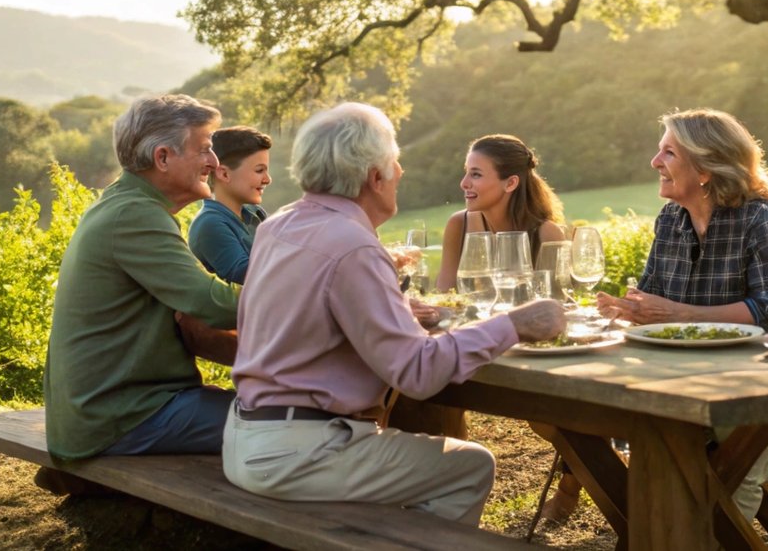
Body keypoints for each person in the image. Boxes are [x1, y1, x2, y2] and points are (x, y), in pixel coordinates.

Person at [223, 103, 565, 525]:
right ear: (375, 176)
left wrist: (398, 312)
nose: (400, 173)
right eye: (395, 162)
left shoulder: (280, 223)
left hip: (245, 437)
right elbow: (417, 374)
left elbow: (313, 310)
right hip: (301, 453)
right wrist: (515, 324)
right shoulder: (354, 244)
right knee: (470, 466)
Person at [582, 108, 768, 522]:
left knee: (732, 476)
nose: (655, 163)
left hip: (760, 381)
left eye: (668, 153)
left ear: (705, 167)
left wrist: (680, 314)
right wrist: (631, 308)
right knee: (656, 450)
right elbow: (653, 297)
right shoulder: (671, 220)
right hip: (683, 376)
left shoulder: (759, 219)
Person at [43, 94, 241, 479]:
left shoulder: (128, 204)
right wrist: (306, 297)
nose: (215, 163)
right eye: (204, 149)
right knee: (287, 424)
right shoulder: (134, 215)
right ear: (163, 157)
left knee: (273, 412)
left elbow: (196, 315)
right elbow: (212, 303)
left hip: (118, 407)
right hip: (121, 416)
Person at [435, 134, 569, 291]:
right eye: (467, 172)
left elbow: (557, 304)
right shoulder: (458, 224)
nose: (464, 183)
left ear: (511, 183)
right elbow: (444, 296)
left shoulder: (546, 234)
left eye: (476, 174)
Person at [188, 125, 273, 284]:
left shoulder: (255, 212)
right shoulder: (210, 224)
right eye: (259, 170)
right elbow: (247, 277)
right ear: (224, 174)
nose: (267, 179)